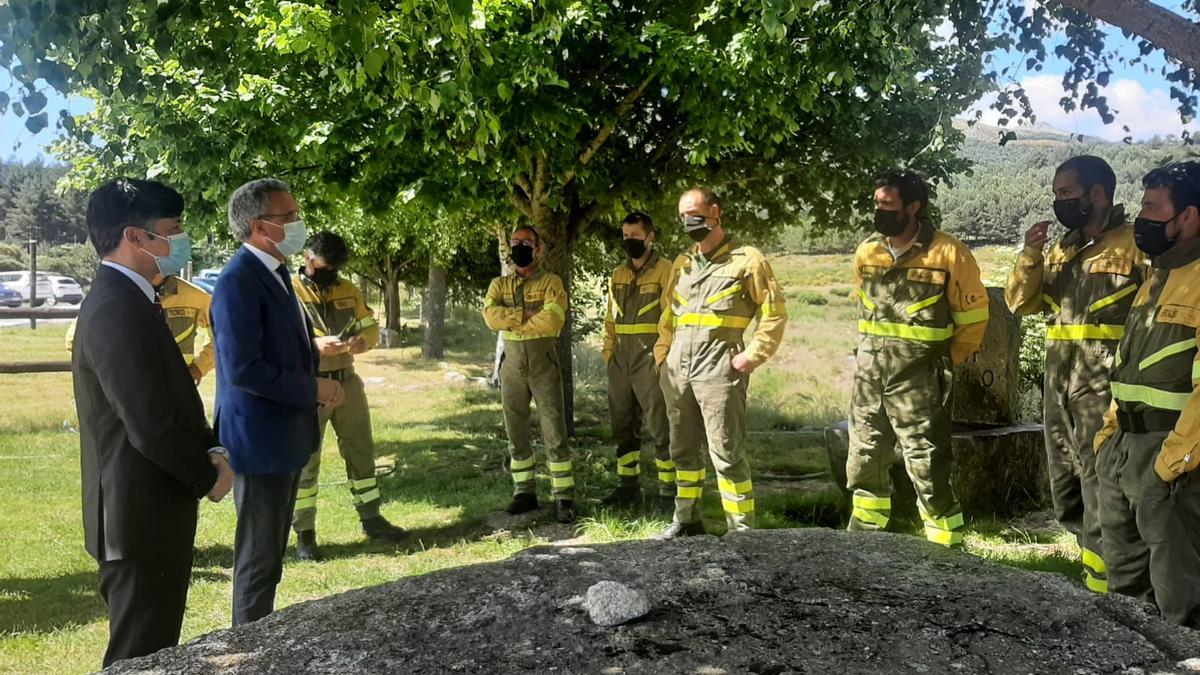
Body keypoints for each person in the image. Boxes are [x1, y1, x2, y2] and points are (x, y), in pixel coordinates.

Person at [71, 177, 233, 667]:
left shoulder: (136, 297)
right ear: (135, 237)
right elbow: (148, 421)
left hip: (150, 509)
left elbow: (171, 392)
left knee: (153, 650)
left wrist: (211, 445)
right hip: (136, 517)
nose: (181, 240)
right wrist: (210, 475)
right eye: (174, 229)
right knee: (139, 655)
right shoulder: (115, 308)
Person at [1005, 155, 1147, 592]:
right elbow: (1020, 303)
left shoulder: (1136, 245)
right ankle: (1093, 577)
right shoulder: (1061, 248)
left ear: (1097, 193)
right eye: (1056, 194)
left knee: (1101, 482)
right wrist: (1031, 254)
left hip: (1103, 386)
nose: (1058, 201)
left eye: (1066, 193)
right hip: (1058, 384)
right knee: (1065, 483)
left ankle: (1115, 586)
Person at [211, 178, 344, 626]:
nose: (298, 225)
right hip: (258, 442)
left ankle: (258, 644)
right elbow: (244, 368)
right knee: (258, 561)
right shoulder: (237, 282)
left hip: (284, 437)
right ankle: (245, 653)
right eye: (288, 217)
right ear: (258, 226)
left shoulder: (276, 272)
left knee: (270, 560)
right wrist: (314, 390)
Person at [845, 171, 989, 548]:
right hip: (869, 376)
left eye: (888, 206)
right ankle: (864, 542)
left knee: (927, 462)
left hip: (921, 377)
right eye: (876, 205)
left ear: (914, 207)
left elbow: (973, 320)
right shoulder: (867, 251)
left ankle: (945, 549)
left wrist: (940, 364)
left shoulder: (948, 253)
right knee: (864, 455)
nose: (879, 212)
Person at [1093, 160, 1200, 626]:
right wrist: (1108, 436)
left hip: (1170, 457)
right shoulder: (1156, 276)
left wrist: (1171, 462)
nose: (1142, 218)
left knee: (1179, 597)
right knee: (1126, 590)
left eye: (1154, 209)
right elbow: (1130, 369)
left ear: (1188, 218)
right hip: (1123, 450)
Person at [652, 188, 788, 538]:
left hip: (719, 370)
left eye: (694, 213)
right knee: (681, 449)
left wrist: (750, 357)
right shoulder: (682, 262)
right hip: (678, 370)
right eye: (682, 216)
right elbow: (669, 316)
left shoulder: (747, 260)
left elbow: (773, 314)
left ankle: (741, 533)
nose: (688, 222)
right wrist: (662, 358)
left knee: (726, 454)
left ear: (715, 211)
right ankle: (686, 520)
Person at [291, 231, 404, 560]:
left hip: (347, 381)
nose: (332, 274)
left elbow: (368, 325)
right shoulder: (289, 291)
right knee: (306, 459)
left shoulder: (349, 290)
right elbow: (277, 340)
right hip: (309, 384)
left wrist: (363, 342)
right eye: (326, 267)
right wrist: (313, 347)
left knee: (360, 450)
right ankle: (305, 535)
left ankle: (372, 519)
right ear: (307, 260)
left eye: (336, 268)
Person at [481, 226, 575, 523]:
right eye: (515, 242)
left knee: (554, 429)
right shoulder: (499, 284)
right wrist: (525, 316)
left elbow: (552, 321)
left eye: (526, 242)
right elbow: (489, 317)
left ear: (538, 249)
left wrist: (510, 320)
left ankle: (563, 498)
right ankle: (524, 492)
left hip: (543, 362)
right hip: (511, 366)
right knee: (515, 429)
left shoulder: (551, 282)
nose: (519, 247)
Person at [602, 212, 675, 511]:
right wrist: (609, 356)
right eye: (625, 236)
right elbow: (610, 318)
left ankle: (669, 491)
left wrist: (663, 359)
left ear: (650, 236)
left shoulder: (666, 271)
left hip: (650, 359)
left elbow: (671, 318)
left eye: (635, 236)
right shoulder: (618, 274)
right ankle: (627, 486)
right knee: (622, 424)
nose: (629, 242)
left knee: (660, 425)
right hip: (620, 359)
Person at [66, 273, 216, 385]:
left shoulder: (194, 297)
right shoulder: (113, 296)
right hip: (127, 393)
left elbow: (225, 335)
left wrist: (200, 367)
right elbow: (74, 341)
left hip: (178, 391)